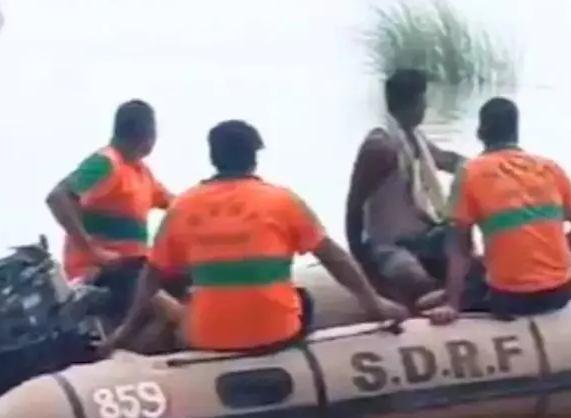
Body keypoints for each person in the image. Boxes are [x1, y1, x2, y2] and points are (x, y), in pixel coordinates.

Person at [101, 120, 407, 356]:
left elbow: (151, 276)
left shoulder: (182, 207)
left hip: (206, 338)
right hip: (275, 334)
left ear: (213, 157)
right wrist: (373, 302)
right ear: (254, 159)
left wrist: (125, 330)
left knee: (185, 303)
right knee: (303, 301)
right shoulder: (282, 201)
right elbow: (334, 257)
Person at [427, 97, 571, 325]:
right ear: (516, 132)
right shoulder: (549, 168)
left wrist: (452, 304)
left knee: (453, 262)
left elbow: (460, 249)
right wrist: (547, 258)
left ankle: (443, 300)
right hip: (560, 292)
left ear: (480, 132)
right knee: (481, 263)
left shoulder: (470, 173)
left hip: (512, 298)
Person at [344, 68, 469, 310]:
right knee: (416, 280)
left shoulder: (414, 137)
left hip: (425, 237)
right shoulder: (381, 148)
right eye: (424, 100)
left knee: (472, 264)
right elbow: (353, 206)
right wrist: (363, 265)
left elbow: (445, 159)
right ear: (413, 103)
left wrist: (486, 167)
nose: (426, 107)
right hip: (389, 244)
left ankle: (451, 297)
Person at [45, 99, 173, 324]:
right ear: (148, 136)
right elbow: (58, 197)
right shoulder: (106, 163)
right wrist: (92, 249)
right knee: (163, 301)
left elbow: (177, 204)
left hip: (133, 268)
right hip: (103, 272)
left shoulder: (140, 171)